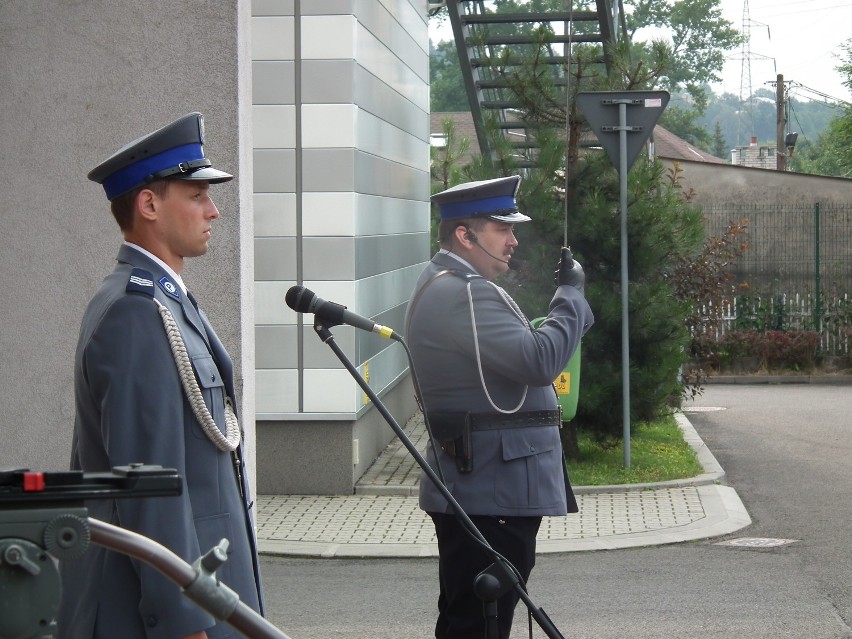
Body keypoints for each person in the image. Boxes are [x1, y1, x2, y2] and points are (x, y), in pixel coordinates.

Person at [58, 112, 264, 639]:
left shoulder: (164, 301)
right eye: (197, 195)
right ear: (149, 204)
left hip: (204, 585)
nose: (214, 210)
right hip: (161, 611)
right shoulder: (135, 313)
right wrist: (183, 621)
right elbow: (149, 486)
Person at [405, 175, 594, 639]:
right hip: (492, 491)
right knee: (479, 626)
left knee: (468, 621)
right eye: (501, 229)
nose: (513, 240)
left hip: (487, 487)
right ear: (465, 236)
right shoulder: (464, 292)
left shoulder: (455, 285)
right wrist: (571, 297)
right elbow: (539, 360)